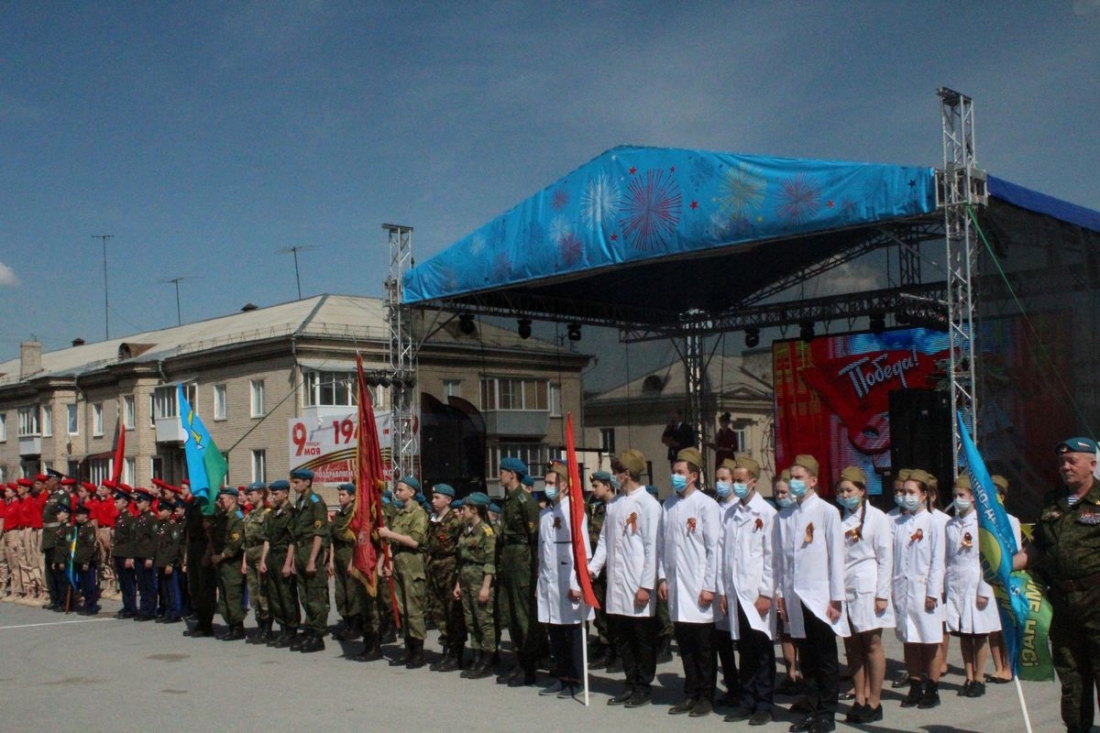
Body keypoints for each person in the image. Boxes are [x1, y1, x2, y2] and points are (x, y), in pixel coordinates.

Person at [1014, 436, 1100, 733]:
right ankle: (1077, 728)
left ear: (1092, 464)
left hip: (1097, 599)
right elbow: (1037, 548)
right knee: (1071, 675)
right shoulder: (1053, 501)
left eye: (1072, 461)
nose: (1065, 467)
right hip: (1063, 603)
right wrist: (1003, 565)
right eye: (1062, 462)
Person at [774, 455, 850, 733]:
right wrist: (780, 593)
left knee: (825, 657)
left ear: (813, 480)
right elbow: (780, 560)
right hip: (795, 595)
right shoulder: (784, 516)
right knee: (806, 657)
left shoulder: (827, 512)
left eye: (799, 478)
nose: (794, 482)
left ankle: (827, 714)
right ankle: (813, 707)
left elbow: (836, 557)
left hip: (819, 596)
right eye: (791, 478)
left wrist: (836, 598)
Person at [589, 448, 663, 709]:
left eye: (617, 472)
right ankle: (630, 683)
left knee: (641, 639)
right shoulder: (614, 504)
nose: (614, 476)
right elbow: (604, 543)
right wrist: (592, 569)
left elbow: (653, 548)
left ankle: (643, 686)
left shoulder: (648, 505)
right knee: (623, 638)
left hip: (637, 582)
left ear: (627, 473)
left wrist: (646, 585)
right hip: (617, 584)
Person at [658, 447, 720, 718]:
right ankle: (690, 693)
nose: (675, 476)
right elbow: (663, 546)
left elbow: (713, 549)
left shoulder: (707, 505)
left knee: (703, 646)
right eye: (674, 472)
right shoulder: (668, 505)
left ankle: (706, 696)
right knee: (685, 645)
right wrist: (662, 577)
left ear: (693, 476)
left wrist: (709, 586)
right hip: (676, 586)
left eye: (680, 472)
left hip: (698, 586)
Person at [717, 455, 778, 726]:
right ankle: (746, 700)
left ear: (753, 482)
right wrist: (722, 591)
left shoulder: (766, 514)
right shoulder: (730, 514)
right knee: (744, 648)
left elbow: (771, 557)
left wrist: (766, 593)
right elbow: (723, 553)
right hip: (735, 592)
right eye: (734, 480)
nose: (736, 484)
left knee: (762, 649)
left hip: (756, 593)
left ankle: (764, 704)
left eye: (740, 480)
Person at [835, 466, 894, 724]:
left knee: (871, 644)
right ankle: (859, 697)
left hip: (868, 586)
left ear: (861, 491)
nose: (845, 495)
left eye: (849, 490)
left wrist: (882, 594)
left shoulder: (877, 518)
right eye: (841, 491)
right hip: (846, 587)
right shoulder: (840, 519)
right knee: (852, 646)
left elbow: (885, 557)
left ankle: (874, 701)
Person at [535, 461, 592, 699]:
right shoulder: (544, 514)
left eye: (552, 483)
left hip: (569, 581)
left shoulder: (575, 512)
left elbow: (584, 552)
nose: (548, 487)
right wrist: (539, 583)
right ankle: (563, 676)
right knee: (555, 631)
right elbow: (542, 553)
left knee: (573, 632)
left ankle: (577, 679)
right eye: (546, 482)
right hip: (549, 581)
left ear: (565, 486)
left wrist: (578, 584)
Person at [892, 469, 946, 710]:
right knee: (909, 639)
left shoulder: (934, 522)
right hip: (903, 589)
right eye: (904, 492)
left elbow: (937, 560)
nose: (906, 496)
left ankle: (932, 688)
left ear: (924, 495)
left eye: (911, 492)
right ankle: (915, 685)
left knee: (929, 640)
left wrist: (933, 591)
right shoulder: (898, 523)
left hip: (924, 590)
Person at [944, 475, 1000, 698]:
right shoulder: (950, 524)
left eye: (962, 495)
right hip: (956, 582)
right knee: (964, 633)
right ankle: (968, 675)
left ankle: (979, 676)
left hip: (976, 580)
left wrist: (983, 590)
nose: (957, 499)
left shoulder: (981, 524)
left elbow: (988, 559)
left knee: (979, 632)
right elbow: (948, 557)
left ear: (973, 498)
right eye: (955, 495)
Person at [495, 457, 541, 687]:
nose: (499, 475)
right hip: (509, 559)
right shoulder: (509, 500)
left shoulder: (525, 501)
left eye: (502, 471)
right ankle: (518, 662)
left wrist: (535, 570)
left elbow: (534, 539)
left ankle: (529, 667)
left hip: (522, 560)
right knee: (511, 614)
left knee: (523, 616)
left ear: (512, 474)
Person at [377, 476, 430, 668]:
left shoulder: (419, 513)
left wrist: (389, 533)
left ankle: (418, 652)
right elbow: (392, 544)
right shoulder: (399, 514)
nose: (397, 493)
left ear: (412, 492)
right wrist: (388, 563)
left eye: (400, 490)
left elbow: (414, 541)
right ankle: (408, 649)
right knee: (402, 609)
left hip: (412, 565)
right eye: (397, 490)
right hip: (399, 564)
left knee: (413, 610)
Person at [288, 467, 330, 653]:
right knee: (304, 595)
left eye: (297, 482)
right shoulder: (301, 502)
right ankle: (310, 630)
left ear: (307, 482)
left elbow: (319, 533)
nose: (294, 485)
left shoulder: (315, 502)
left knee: (315, 596)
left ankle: (317, 635)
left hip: (311, 550)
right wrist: (294, 559)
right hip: (301, 550)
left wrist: (313, 559)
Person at [426, 483, 466, 672]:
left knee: (453, 614)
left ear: (448, 500)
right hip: (435, 569)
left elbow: (460, 551)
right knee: (439, 611)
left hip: (450, 569)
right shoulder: (433, 520)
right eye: (433, 497)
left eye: (437, 497)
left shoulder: (456, 522)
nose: (433, 501)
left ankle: (456, 654)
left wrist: (458, 578)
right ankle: (446, 650)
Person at [986, 473, 1020, 685]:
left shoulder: (1011, 521)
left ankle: (1009, 666)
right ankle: (998, 665)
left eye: (996, 493)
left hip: (1005, 576)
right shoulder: (983, 521)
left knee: (1006, 623)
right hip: (988, 577)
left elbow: (1016, 550)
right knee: (992, 626)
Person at [260, 480, 301, 649]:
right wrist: (263, 560)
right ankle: (283, 628)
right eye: (272, 494)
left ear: (285, 493)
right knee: (275, 596)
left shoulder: (291, 513)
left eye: (276, 494)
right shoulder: (271, 514)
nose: (273, 497)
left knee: (286, 596)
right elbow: (267, 539)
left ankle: (291, 631)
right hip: (272, 557)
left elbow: (292, 541)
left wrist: (288, 563)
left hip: (284, 556)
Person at [586, 470, 616, 671]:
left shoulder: (615, 507)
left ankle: (613, 651)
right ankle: (605, 645)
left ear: (607, 485)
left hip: (610, 567)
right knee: (599, 610)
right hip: (597, 566)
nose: (593, 489)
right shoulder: (596, 507)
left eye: (596, 485)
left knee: (609, 611)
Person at [180, 482, 217, 639]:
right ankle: (200, 621)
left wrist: (208, 554)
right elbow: (188, 531)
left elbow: (211, 532)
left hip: (204, 546)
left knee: (205, 588)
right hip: (193, 547)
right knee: (194, 587)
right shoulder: (190, 504)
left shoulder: (208, 503)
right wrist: (186, 554)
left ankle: (207, 624)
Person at [211, 487, 246, 641]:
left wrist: (220, 556)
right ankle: (230, 625)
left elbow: (235, 543)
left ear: (232, 500)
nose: (220, 502)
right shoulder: (222, 516)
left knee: (232, 595)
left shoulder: (237, 517)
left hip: (232, 563)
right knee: (224, 595)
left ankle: (238, 627)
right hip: (221, 562)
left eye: (222, 499)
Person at [241, 482, 272, 644]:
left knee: (263, 592)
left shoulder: (267, 513)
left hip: (261, 553)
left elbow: (268, 538)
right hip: (250, 553)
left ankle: (267, 630)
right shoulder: (249, 514)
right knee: (253, 593)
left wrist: (264, 559)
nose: (249, 496)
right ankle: (260, 627)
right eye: (248, 494)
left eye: (252, 493)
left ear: (261, 494)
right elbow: (245, 540)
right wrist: (244, 561)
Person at [131, 488, 159, 622]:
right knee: (142, 585)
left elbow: (154, 539)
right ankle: (143, 609)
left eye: (140, 502)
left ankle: (150, 610)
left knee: (149, 585)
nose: (137, 504)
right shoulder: (139, 518)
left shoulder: (152, 518)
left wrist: (150, 557)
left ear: (147, 503)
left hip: (146, 556)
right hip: (138, 555)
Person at [72, 503, 99, 615]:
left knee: (89, 585)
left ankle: (92, 606)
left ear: (85, 515)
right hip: (80, 559)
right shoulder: (80, 527)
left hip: (87, 561)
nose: (76, 517)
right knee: (84, 585)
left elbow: (90, 547)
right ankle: (87, 605)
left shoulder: (89, 528)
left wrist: (86, 562)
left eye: (79, 515)